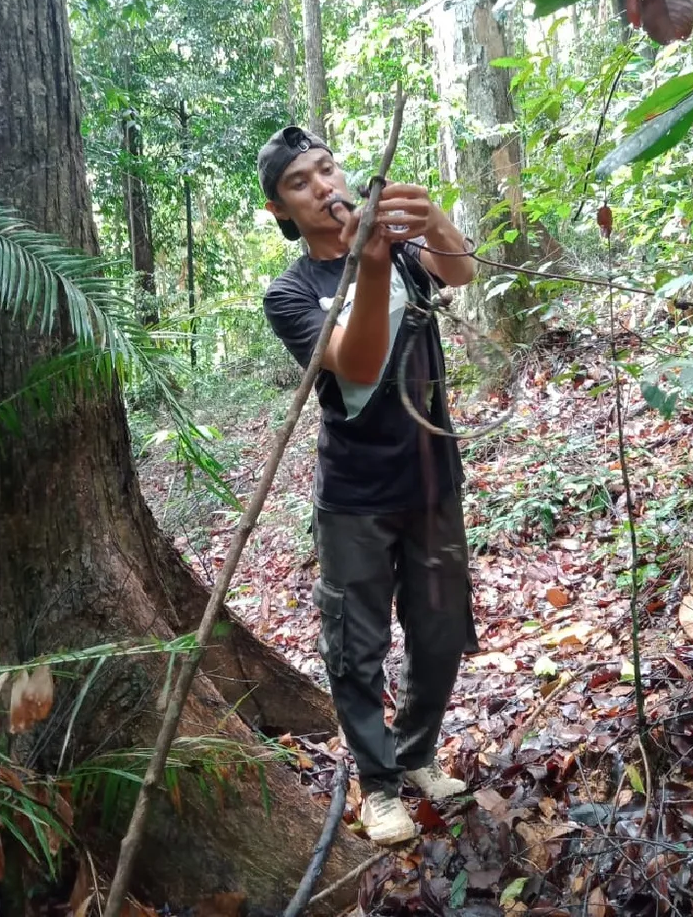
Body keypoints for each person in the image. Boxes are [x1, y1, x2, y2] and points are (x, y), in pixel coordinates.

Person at [258, 126, 478, 846]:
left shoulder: (407, 257)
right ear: (280, 211)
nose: (324, 187)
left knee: (441, 631)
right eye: (301, 183)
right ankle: (377, 784)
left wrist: (432, 217)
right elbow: (353, 367)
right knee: (357, 645)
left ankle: (416, 756)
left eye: (327, 170)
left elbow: (463, 271)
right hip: (354, 494)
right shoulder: (291, 293)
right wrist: (372, 267)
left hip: (432, 480)